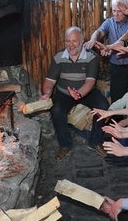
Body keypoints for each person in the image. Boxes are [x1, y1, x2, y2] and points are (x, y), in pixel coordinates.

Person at [40, 26, 110, 161]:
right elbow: (50, 81)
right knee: (56, 110)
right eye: (67, 41)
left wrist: (79, 94)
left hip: (86, 91)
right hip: (64, 91)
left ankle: (95, 141)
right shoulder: (59, 56)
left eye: (74, 41)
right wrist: (47, 94)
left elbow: (90, 82)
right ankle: (65, 144)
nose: (70, 45)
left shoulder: (91, 57)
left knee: (103, 105)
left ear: (82, 41)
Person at [85, 0, 128, 103]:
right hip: (116, 68)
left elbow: (125, 37)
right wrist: (93, 39)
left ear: (127, 9)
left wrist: (109, 47)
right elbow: (99, 32)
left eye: (119, 11)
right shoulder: (109, 22)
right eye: (114, 10)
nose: (116, 13)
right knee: (117, 99)